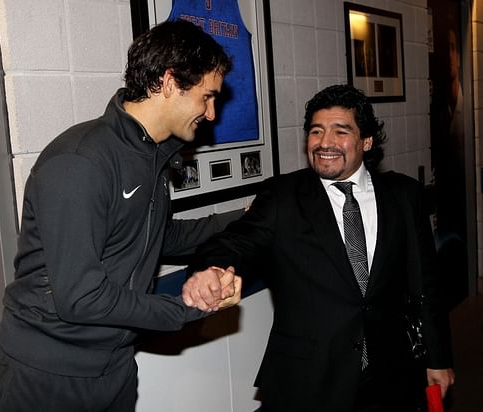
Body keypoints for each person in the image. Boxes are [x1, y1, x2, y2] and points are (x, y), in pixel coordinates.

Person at [0, 20, 242, 412]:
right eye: (206, 97)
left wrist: (244, 217)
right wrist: (188, 309)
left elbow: (159, 236)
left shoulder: (153, 156)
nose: (210, 113)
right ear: (170, 83)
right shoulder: (81, 161)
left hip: (114, 369)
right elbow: (82, 297)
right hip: (44, 377)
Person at [183, 84, 455, 411]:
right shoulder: (283, 197)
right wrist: (210, 269)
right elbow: (233, 242)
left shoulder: (404, 196)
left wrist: (438, 358)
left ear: (366, 141)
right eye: (316, 131)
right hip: (308, 380)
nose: (325, 142)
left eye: (341, 131)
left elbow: (425, 284)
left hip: (391, 376)